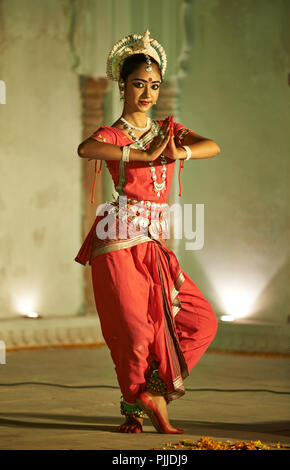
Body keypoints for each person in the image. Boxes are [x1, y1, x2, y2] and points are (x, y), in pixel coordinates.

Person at [75, 30, 220, 434]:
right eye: (139, 84)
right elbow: (86, 149)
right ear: (122, 85)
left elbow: (213, 146)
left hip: (153, 245)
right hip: (118, 238)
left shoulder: (168, 130)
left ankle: (152, 390)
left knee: (199, 319)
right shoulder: (112, 134)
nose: (147, 93)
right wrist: (142, 154)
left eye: (154, 86)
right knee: (134, 331)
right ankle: (136, 409)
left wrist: (180, 151)